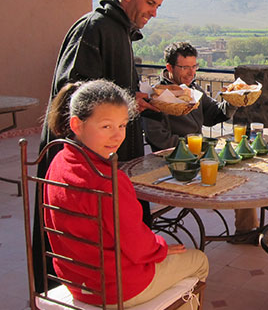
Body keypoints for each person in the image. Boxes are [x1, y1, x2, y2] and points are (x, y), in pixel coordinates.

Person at [34, 0, 166, 292]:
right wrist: (122, 104)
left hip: (106, 152)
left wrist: (132, 100)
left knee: (114, 231)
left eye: (158, 7)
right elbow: (76, 94)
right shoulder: (94, 27)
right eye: (149, 2)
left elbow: (111, 92)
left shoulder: (119, 31)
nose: (153, 12)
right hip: (84, 159)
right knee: (79, 238)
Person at [44, 79, 208, 309]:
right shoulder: (106, 180)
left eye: (122, 126)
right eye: (106, 126)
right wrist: (159, 248)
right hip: (116, 286)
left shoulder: (58, 161)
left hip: (76, 277)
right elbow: (138, 246)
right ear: (77, 125)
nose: (117, 136)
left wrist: (155, 248)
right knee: (199, 260)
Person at [142, 42, 259, 243]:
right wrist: (191, 149)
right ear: (169, 68)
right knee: (234, 171)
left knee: (243, 169)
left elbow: (214, 114)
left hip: (199, 154)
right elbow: (158, 139)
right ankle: (246, 230)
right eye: (185, 67)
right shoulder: (157, 96)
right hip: (174, 162)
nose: (191, 72)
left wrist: (233, 99)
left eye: (194, 66)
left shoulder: (193, 90)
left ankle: (246, 230)